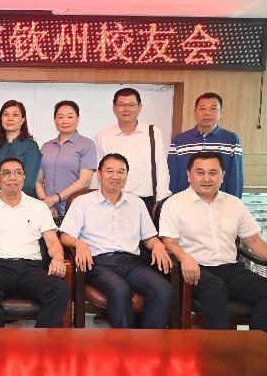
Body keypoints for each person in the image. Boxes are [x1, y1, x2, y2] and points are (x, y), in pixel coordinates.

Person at [160, 152, 267, 337]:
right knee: (215, 287)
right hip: (195, 271)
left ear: (222, 176)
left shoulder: (234, 204)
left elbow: (253, 240)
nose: (207, 178)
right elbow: (169, 242)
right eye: (200, 172)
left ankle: (258, 348)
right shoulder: (174, 204)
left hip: (230, 269)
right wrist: (185, 257)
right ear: (189, 175)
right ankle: (220, 350)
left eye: (213, 173)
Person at [59, 153, 174, 329]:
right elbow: (65, 236)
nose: (115, 176)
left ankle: (147, 342)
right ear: (99, 174)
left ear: (126, 176)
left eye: (121, 172)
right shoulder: (82, 202)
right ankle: (124, 343)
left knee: (163, 290)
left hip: (133, 263)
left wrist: (157, 245)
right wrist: (79, 243)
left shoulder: (137, 203)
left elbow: (149, 237)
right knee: (119, 290)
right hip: (98, 263)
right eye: (110, 171)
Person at [0, 157, 70, 328]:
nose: (12, 177)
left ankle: (42, 341)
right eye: (6, 173)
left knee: (59, 289)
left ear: (24, 177)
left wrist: (58, 258)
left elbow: (52, 241)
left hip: (30, 268)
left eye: (17, 173)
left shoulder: (38, 207)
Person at [93, 88, 170, 212]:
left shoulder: (153, 133)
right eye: (121, 105)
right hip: (112, 200)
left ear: (139, 107)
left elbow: (161, 168)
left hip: (146, 201)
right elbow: (98, 172)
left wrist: (161, 201)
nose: (126, 109)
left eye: (131, 105)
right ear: (114, 108)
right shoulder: (103, 136)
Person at [168, 92, 243, 197]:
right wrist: (172, 201)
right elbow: (172, 176)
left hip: (219, 202)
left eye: (213, 108)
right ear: (195, 112)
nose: (207, 113)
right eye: (202, 108)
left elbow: (236, 177)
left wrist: (233, 203)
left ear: (221, 113)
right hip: (185, 201)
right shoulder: (179, 140)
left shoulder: (231, 140)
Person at [35, 100, 97, 222]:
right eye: (60, 117)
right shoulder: (46, 146)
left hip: (74, 210)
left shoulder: (87, 144)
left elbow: (84, 181)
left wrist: (55, 199)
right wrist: (46, 203)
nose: (65, 121)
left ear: (77, 119)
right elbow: (38, 180)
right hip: (48, 212)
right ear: (55, 120)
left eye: (70, 116)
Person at [0, 100, 41, 197]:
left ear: (23, 120)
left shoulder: (31, 146)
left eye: (15, 115)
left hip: (24, 200)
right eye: (6, 115)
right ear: (1, 119)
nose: (10, 118)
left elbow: (29, 182)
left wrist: (11, 198)